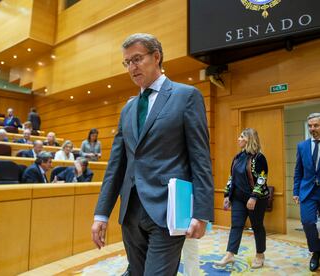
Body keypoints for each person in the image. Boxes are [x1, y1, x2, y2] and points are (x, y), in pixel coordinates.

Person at [91, 33, 214, 275]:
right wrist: (101, 213)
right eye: (127, 62)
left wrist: (202, 213)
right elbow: (116, 166)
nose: (131, 67)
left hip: (167, 211)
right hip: (130, 214)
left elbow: (200, 159)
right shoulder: (128, 109)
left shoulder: (186, 96)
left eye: (136, 59)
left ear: (156, 57)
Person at [215, 128, 269, 269]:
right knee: (236, 225)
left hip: (255, 199)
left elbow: (262, 179)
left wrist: (254, 197)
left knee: (257, 227)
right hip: (238, 198)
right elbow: (231, 177)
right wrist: (227, 195)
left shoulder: (259, 158)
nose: (238, 139)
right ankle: (230, 254)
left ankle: (260, 254)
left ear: (248, 139)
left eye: (241, 137)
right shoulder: (237, 157)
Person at [294, 113, 320, 272]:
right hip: (307, 191)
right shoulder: (302, 146)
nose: (312, 129)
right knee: (308, 222)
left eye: (316, 125)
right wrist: (296, 191)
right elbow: (298, 171)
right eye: (310, 126)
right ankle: (316, 252)